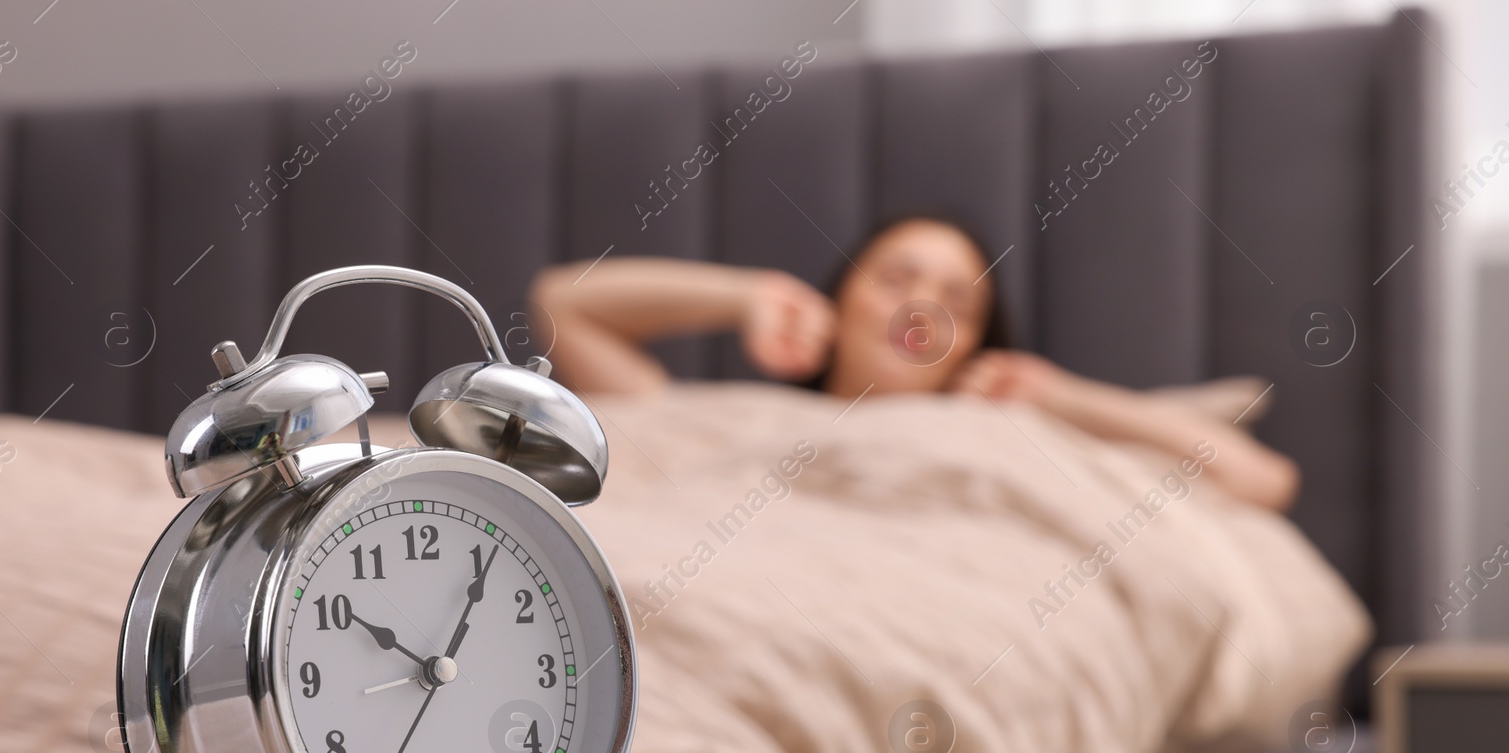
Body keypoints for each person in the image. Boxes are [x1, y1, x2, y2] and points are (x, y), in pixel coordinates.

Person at [529, 215, 1298, 511]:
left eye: (957, 303)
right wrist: (746, 296)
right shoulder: (732, 415)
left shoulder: (1005, 434)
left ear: (972, 348)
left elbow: (1261, 481)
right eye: (895, 279)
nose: (921, 308)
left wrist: (1063, 398)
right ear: (842, 301)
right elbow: (565, 302)